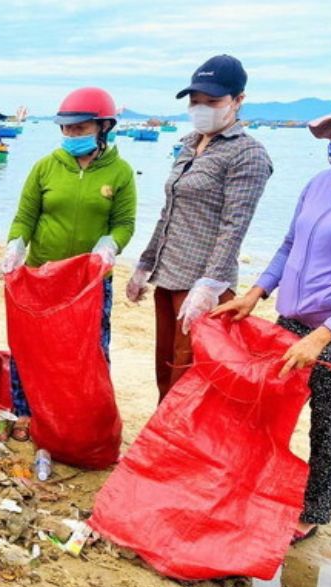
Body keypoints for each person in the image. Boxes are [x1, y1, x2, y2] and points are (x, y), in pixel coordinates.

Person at [212, 86, 331, 543]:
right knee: (267, 412)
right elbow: (289, 246)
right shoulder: (317, 185)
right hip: (289, 324)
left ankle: (312, 512)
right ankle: (255, 485)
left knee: (330, 428)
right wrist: (255, 293)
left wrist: (323, 337)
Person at [127, 54, 273, 401]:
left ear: (238, 101)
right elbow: (169, 211)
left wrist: (208, 286)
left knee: (191, 379)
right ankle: (161, 447)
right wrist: (145, 265)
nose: (202, 108)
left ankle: (180, 454)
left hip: (202, 285)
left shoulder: (248, 154)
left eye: (213, 101)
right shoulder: (190, 144)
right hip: (169, 276)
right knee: (166, 370)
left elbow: (234, 227)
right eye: (195, 101)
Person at [2, 87, 137, 429]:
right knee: (33, 348)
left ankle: (84, 417)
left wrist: (110, 245)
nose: (71, 134)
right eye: (67, 128)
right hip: (42, 276)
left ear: (103, 127)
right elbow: (25, 217)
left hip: (89, 281)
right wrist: (16, 245)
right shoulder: (45, 168)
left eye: (80, 128)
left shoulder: (119, 173)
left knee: (90, 351)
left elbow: (124, 224)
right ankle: (25, 411)